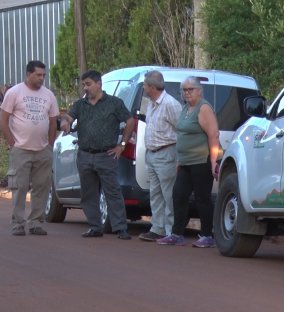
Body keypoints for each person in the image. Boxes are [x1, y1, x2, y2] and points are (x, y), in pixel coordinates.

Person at [59, 70, 135, 240]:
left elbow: (129, 121)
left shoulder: (114, 103)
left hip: (106, 155)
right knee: (88, 193)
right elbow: (69, 118)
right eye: (84, 85)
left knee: (112, 192)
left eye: (88, 84)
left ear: (99, 83)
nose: (85, 88)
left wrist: (122, 145)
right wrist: (65, 123)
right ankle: (95, 226)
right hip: (85, 154)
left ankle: (120, 228)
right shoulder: (80, 104)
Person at [157, 76, 220, 248]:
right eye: (184, 90)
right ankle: (177, 233)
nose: (187, 93)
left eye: (190, 89)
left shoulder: (204, 108)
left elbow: (213, 135)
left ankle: (207, 235)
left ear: (199, 90)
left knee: (202, 198)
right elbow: (182, 135)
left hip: (201, 160)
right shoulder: (185, 109)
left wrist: (214, 161)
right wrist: (179, 160)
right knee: (178, 195)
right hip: (185, 162)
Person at [0, 61, 59, 236]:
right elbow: (3, 119)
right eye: (38, 75)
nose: (41, 78)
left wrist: (49, 144)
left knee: (41, 186)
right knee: (20, 186)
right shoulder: (14, 92)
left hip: (42, 150)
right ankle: (18, 223)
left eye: (43, 75)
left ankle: (35, 222)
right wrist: (12, 142)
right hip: (21, 148)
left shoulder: (48, 95)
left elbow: (53, 121)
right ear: (28, 74)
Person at [138, 71, 182, 241]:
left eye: (144, 85)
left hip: (166, 152)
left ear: (151, 87)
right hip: (152, 153)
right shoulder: (151, 103)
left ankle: (172, 231)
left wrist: (178, 156)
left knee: (168, 193)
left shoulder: (170, 104)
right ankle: (158, 228)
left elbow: (181, 129)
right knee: (155, 193)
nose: (143, 87)